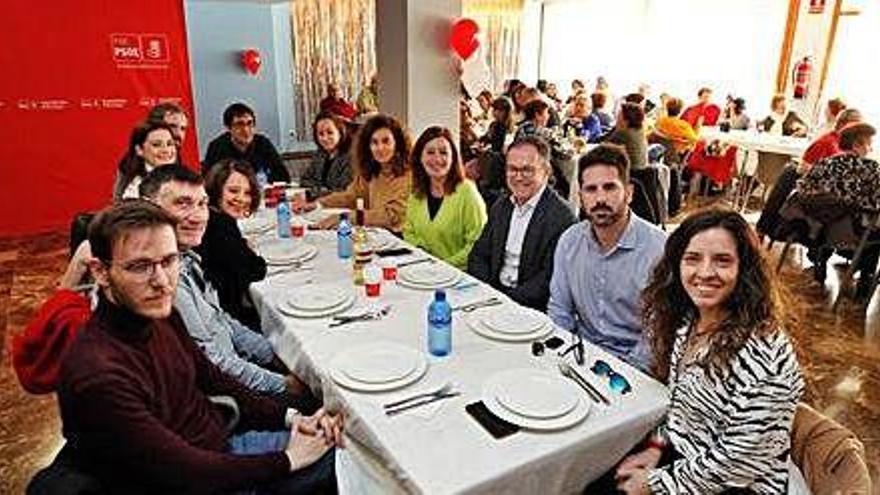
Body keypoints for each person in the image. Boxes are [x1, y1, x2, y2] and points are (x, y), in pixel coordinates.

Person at [58, 199, 341, 493]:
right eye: (141, 266)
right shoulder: (98, 373)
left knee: (341, 439)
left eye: (169, 261)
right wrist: (290, 458)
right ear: (100, 272)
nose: (162, 281)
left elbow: (214, 379)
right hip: (203, 477)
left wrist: (293, 419)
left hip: (219, 446)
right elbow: (184, 471)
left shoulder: (158, 315)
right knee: (345, 460)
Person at [613, 208, 803, 494]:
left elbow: (736, 463)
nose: (705, 272)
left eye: (722, 261)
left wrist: (654, 483)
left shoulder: (766, 355)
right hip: (687, 461)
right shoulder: (689, 320)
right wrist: (656, 447)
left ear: (744, 269)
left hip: (738, 485)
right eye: (693, 259)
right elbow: (682, 414)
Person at [139, 165, 309, 402]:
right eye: (183, 203)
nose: (198, 216)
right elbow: (213, 363)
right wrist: (284, 385)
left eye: (201, 204)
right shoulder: (164, 282)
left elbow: (222, 321)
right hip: (223, 402)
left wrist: (275, 357)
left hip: (236, 372)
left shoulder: (188, 258)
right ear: (150, 208)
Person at [548, 144, 666, 371]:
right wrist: (564, 357)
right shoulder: (569, 241)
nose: (600, 198)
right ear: (580, 196)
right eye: (591, 189)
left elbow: (656, 334)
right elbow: (559, 311)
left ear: (629, 193)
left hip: (634, 368)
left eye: (610, 187)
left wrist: (619, 375)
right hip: (580, 356)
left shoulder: (659, 249)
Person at [468, 136, 576, 310]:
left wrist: (503, 302)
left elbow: (548, 280)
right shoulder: (501, 205)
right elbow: (479, 255)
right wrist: (487, 293)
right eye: (512, 169)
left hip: (530, 309)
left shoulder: (562, 217)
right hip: (492, 297)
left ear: (546, 172)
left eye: (527, 170)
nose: (518, 177)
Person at [796, 123, 879, 298]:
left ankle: (821, 265)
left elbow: (801, 191)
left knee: (838, 219)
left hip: (818, 228)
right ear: (856, 145)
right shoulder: (871, 169)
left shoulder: (824, 164)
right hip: (852, 233)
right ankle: (864, 283)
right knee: (876, 233)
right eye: (869, 144)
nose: (870, 149)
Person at [305, 114, 411, 233]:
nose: (380, 148)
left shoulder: (408, 174)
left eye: (386, 141)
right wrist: (319, 203)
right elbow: (352, 196)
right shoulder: (372, 170)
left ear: (398, 144)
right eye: (374, 142)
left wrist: (347, 217)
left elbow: (392, 216)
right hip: (377, 234)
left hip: (401, 238)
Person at [197, 159, 267, 330]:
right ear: (216, 190)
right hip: (226, 321)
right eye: (233, 191)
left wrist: (243, 246)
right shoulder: (219, 226)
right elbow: (256, 271)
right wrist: (254, 256)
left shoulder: (214, 218)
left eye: (247, 192)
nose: (241, 199)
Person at [403, 126, 487, 269]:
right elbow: (409, 231)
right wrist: (423, 258)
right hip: (422, 269)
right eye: (430, 152)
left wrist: (443, 266)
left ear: (453, 157)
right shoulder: (416, 192)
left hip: (459, 276)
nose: (437, 159)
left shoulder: (467, 192)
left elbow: (477, 244)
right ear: (420, 157)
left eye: (443, 152)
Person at [203, 102, 291, 183]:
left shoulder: (263, 143)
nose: (246, 130)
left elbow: (283, 177)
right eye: (239, 124)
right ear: (228, 128)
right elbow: (209, 182)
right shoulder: (216, 147)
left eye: (250, 123)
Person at [515, 99, 574, 197]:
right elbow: (564, 154)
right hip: (539, 174)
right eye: (546, 113)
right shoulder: (543, 132)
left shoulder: (521, 128)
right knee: (566, 183)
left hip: (520, 170)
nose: (549, 116)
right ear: (537, 115)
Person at [113, 121, 177, 200]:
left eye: (170, 144)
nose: (166, 150)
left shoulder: (184, 177)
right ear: (139, 150)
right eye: (156, 145)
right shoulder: (133, 191)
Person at [300, 111, 353, 199]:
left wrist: (316, 191)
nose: (325, 138)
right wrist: (323, 190)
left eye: (330, 132)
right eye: (321, 134)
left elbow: (344, 190)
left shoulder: (351, 156)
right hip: (321, 205)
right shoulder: (320, 154)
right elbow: (304, 180)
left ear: (340, 132)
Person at [607, 102, 648, 169]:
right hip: (640, 173)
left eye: (619, 116)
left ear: (626, 121)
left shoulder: (623, 134)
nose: (616, 119)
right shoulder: (640, 132)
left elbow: (602, 150)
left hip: (629, 173)